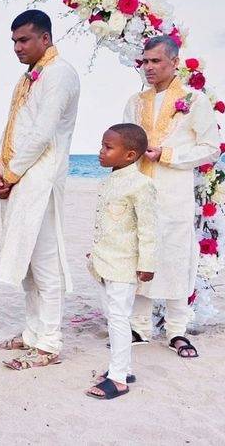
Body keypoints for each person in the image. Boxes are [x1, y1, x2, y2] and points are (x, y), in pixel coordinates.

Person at [0, 10, 80, 370]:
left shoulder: (59, 74)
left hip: (40, 179)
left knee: (45, 265)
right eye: (13, 41)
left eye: (24, 39)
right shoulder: (29, 77)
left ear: (46, 39)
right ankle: (31, 334)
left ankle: (50, 343)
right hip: (20, 177)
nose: (17, 47)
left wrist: (9, 174)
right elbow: (14, 125)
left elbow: (42, 134)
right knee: (27, 263)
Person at [123, 35, 221, 358]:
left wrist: (167, 153)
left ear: (174, 62)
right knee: (140, 255)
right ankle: (139, 326)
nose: (148, 68)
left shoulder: (194, 101)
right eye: (145, 61)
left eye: (156, 61)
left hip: (173, 194)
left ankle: (177, 330)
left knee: (176, 257)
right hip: (139, 191)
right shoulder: (135, 101)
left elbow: (211, 149)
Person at [85, 124, 157, 400]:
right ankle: (123, 369)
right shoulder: (110, 180)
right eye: (102, 145)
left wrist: (147, 263)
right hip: (104, 262)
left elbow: (148, 228)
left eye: (108, 147)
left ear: (129, 155)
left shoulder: (141, 185)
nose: (101, 152)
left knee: (118, 319)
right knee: (114, 316)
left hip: (125, 265)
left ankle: (118, 380)